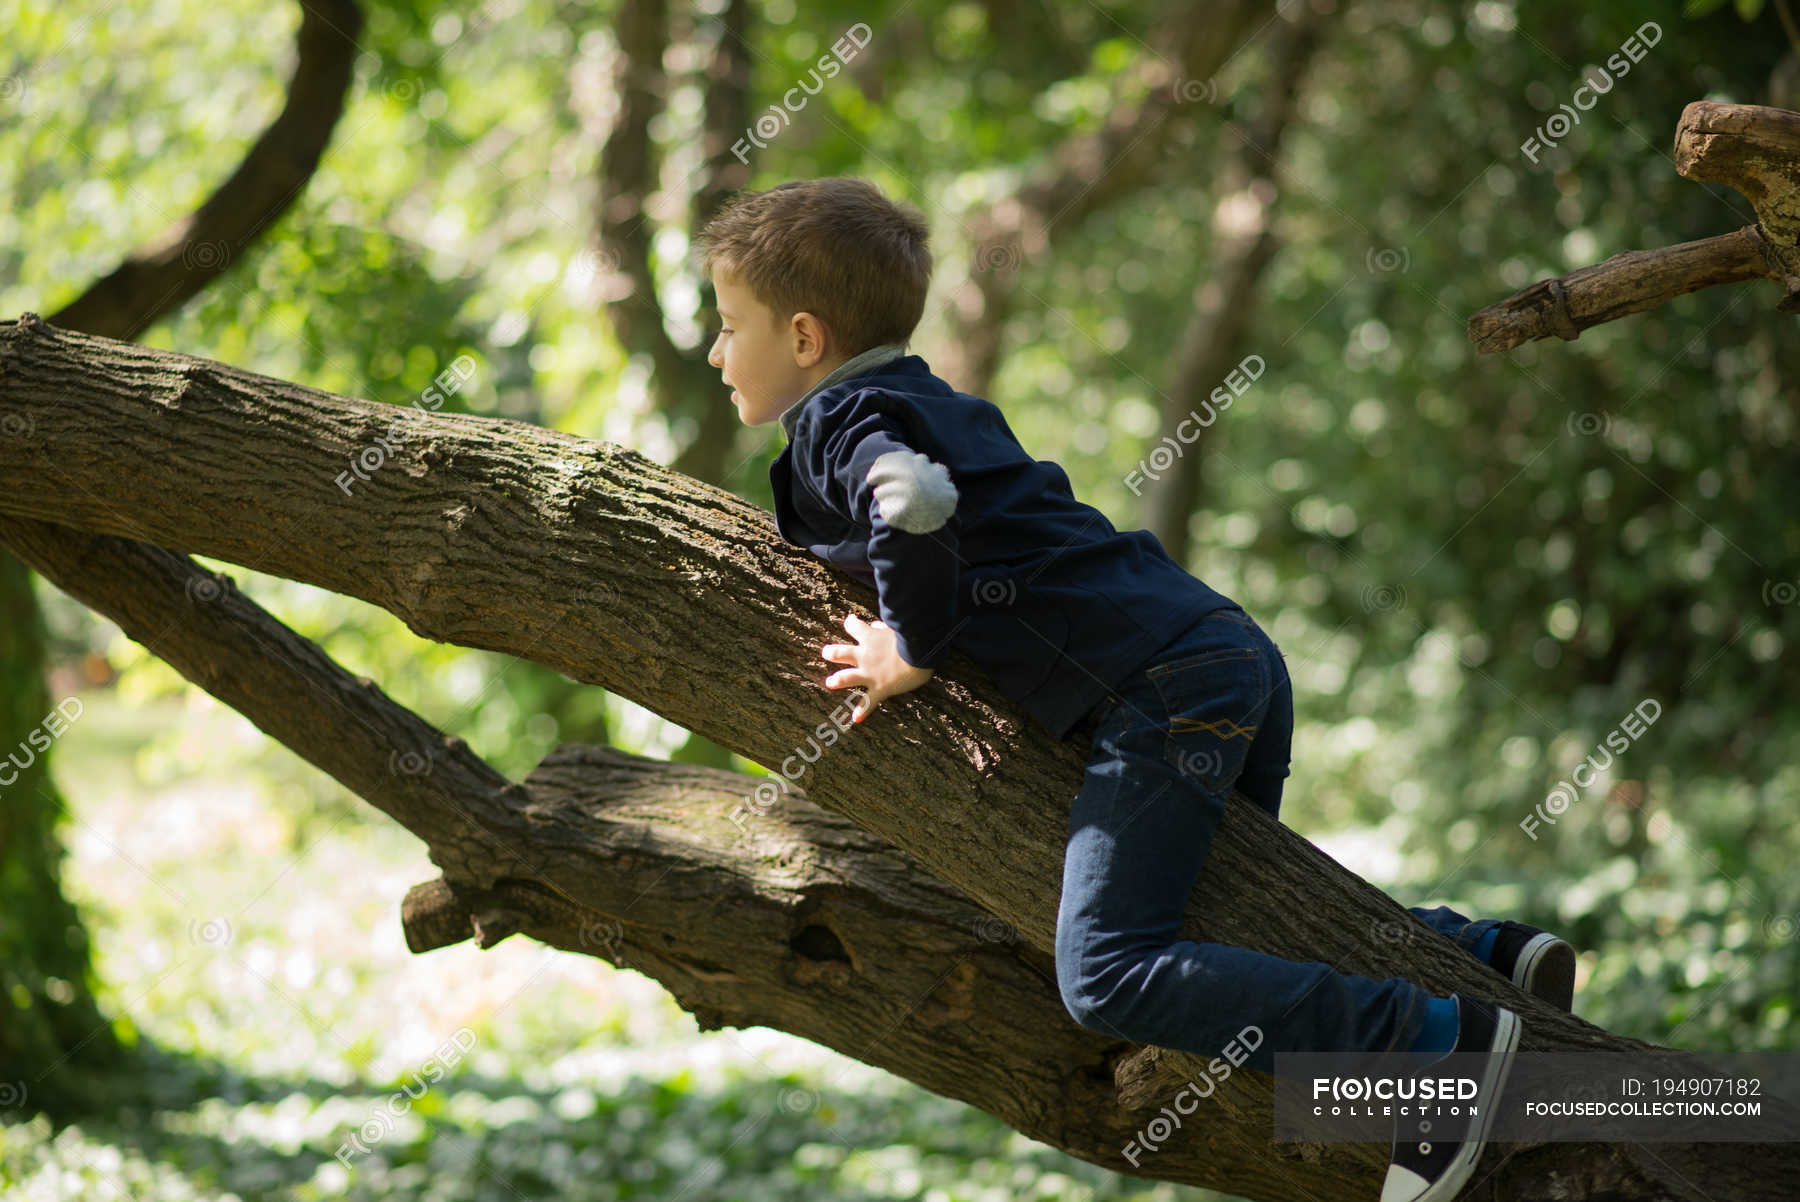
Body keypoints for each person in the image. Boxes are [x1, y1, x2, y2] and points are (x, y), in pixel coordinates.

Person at [694, 176, 1576, 1202]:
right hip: (1217, 646)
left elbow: (915, 498)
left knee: (1106, 972)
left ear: (804, 337)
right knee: (1233, 903)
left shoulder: (840, 423)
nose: (717, 353)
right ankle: (1482, 951)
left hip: (1161, 687)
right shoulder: (934, 395)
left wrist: (911, 647)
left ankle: (1438, 1048)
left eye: (728, 327)